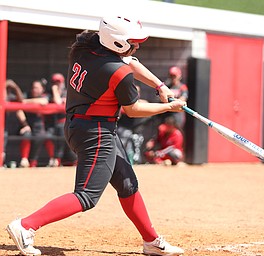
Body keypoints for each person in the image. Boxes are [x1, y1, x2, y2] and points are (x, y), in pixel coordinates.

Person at [6, 16, 186, 256]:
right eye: (133, 41)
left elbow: (129, 60)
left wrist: (160, 86)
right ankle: (25, 226)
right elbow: (133, 110)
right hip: (96, 133)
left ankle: (151, 241)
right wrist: (168, 108)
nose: (137, 46)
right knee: (87, 195)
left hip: (84, 126)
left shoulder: (86, 46)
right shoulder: (117, 72)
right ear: (118, 43)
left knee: (127, 183)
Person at [45, 73, 77, 167]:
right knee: (46, 135)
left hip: (65, 123)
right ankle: (53, 159)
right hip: (50, 124)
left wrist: (56, 91)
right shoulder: (48, 93)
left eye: (58, 82)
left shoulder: (68, 92)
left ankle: (57, 160)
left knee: (61, 131)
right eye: (54, 83)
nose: (57, 84)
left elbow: (58, 102)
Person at [19, 79, 50, 167]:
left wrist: (27, 102)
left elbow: (44, 101)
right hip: (26, 123)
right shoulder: (26, 94)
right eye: (33, 87)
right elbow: (20, 103)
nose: (34, 90)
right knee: (26, 134)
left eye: (36, 88)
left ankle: (33, 161)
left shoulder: (45, 95)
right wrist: (25, 125)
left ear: (42, 89)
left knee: (41, 136)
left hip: (39, 124)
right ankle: (24, 160)